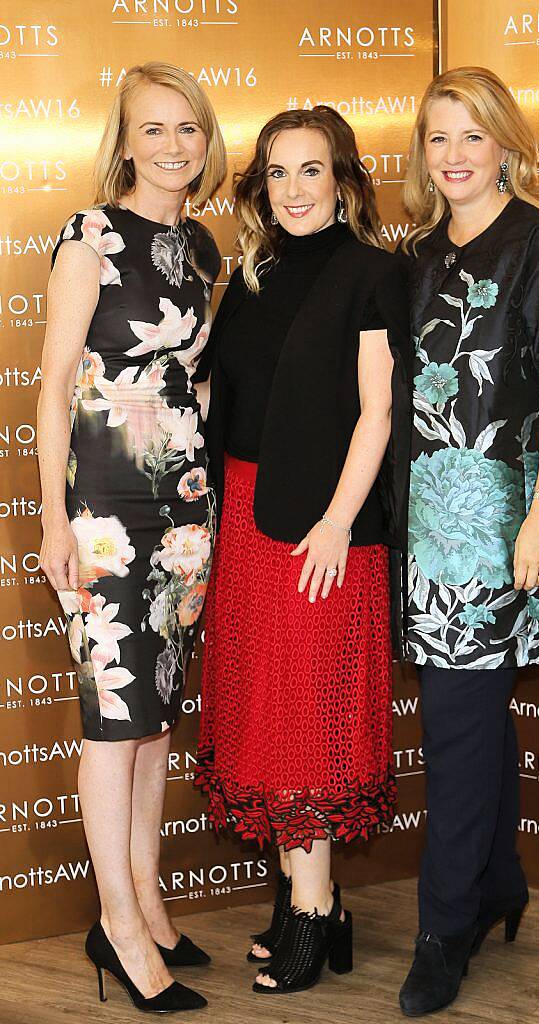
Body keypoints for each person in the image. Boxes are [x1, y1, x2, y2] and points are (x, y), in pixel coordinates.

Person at [397, 66, 539, 1017]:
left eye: (471, 137)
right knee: (475, 722)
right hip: (425, 532)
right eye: (438, 138)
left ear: (506, 144)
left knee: (455, 730)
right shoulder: (417, 254)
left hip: (502, 531)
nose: (454, 157)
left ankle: (442, 930)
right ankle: (499, 884)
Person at [194, 105, 411, 995]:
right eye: (277, 172)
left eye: (311, 170)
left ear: (343, 179)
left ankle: (315, 915)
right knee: (267, 707)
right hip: (247, 519)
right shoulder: (249, 273)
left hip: (325, 528)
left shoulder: (371, 274)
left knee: (305, 721)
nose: (293, 189)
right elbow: (222, 400)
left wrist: (335, 519)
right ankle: (304, 898)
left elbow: (378, 412)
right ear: (260, 185)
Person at [37, 62, 225, 1013]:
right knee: (115, 725)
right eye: (153, 129)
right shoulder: (90, 235)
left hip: (186, 504)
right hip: (106, 507)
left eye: (187, 129)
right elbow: (54, 382)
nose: (172, 146)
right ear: (124, 142)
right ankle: (114, 925)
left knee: (154, 719)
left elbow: (192, 382)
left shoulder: (204, 250)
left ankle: (148, 902)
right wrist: (51, 517)